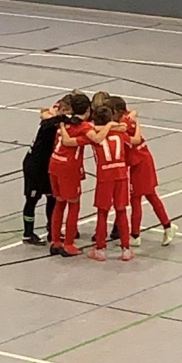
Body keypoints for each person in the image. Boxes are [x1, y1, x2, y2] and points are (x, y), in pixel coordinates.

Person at [62, 104, 141, 263]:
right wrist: (136, 125)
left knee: (102, 212)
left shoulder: (95, 136)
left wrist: (63, 127)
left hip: (105, 176)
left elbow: (71, 141)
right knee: (121, 211)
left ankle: (100, 249)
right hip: (121, 174)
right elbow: (136, 140)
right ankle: (126, 249)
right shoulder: (120, 133)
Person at [108, 95, 178, 247]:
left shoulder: (122, 126)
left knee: (137, 198)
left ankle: (138, 234)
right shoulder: (126, 118)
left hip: (140, 163)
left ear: (116, 111)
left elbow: (133, 138)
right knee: (149, 196)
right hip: (142, 161)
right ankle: (165, 226)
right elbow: (134, 113)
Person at [48, 92, 96, 257]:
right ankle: (68, 244)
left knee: (59, 202)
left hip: (54, 164)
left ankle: (55, 241)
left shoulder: (64, 122)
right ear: (88, 110)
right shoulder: (84, 127)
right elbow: (96, 137)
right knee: (74, 204)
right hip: (68, 168)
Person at [22, 94, 73, 245]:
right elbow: (49, 119)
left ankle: (52, 230)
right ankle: (28, 233)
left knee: (52, 197)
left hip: (47, 166)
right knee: (32, 199)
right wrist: (64, 118)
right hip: (34, 166)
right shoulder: (50, 124)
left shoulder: (55, 116)